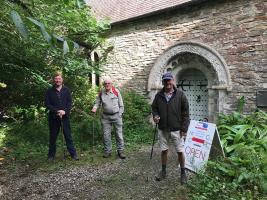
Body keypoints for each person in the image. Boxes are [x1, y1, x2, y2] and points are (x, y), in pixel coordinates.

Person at [151, 72, 190, 184]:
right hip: (163, 128)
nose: (167, 82)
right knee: (164, 150)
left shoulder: (180, 95)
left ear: (173, 81)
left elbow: (186, 113)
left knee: (180, 151)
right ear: (163, 82)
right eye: (165, 80)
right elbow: (154, 108)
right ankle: (163, 171)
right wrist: (155, 116)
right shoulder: (159, 95)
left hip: (176, 129)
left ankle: (183, 173)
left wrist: (184, 128)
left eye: (169, 80)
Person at [45, 72, 78, 161]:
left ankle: (73, 154)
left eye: (59, 79)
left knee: (68, 136)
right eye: (56, 79)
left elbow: (69, 103)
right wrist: (57, 111)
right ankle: (51, 156)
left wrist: (65, 111)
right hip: (53, 118)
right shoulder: (49, 91)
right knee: (53, 137)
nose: (57, 80)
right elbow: (47, 104)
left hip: (65, 117)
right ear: (54, 80)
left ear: (62, 80)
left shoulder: (66, 90)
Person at [91, 78, 126, 159]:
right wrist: (94, 108)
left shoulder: (116, 91)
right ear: (104, 85)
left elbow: (121, 105)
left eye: (108, 83)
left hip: (116, 116)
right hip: (105, 117)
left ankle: (120, 151)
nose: (107, 85)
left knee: (119, 134)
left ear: (111, 84)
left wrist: (120, 114)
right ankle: (108, 151)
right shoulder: (101, 93)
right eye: (105, 83)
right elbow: (97, 103)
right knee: (106, 135)